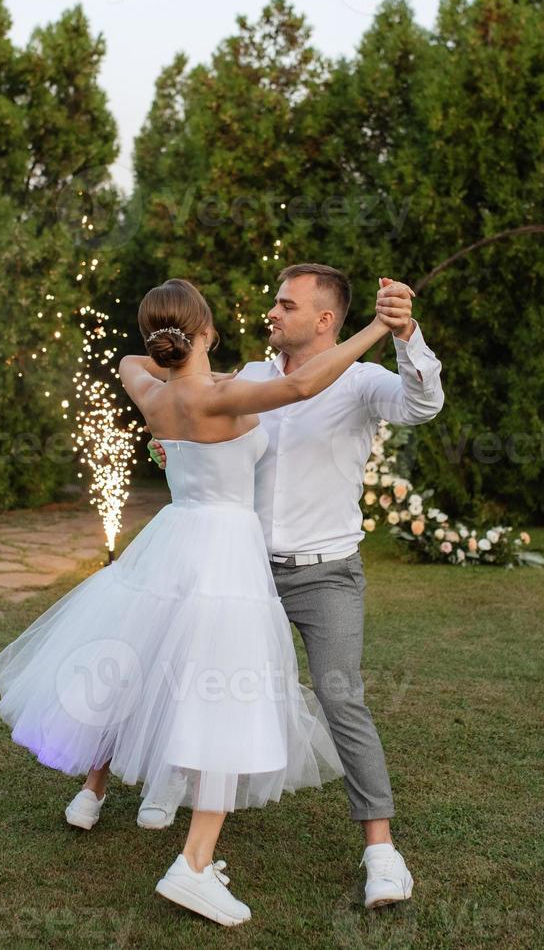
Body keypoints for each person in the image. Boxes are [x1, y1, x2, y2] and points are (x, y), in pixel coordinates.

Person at [0, 276, 399, 928]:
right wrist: (378, 330)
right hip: (226, 555)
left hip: (173, 539)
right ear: (205, 329)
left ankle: (129, 811)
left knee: (146, 663)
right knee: (225, 697)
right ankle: (196, 862)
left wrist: (169, 356)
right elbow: (297, 387)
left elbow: (129, 360)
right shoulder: (225, 395)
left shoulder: (151, 390)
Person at [147, 264, 445, 911]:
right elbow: (192, 410)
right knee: (206, 683)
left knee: (342, 698)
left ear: (325, 320)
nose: (272, 314)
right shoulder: (251, 378)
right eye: (275, 304)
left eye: (286, 305)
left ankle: (382, 854)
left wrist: (404, 333)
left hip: (326, 572)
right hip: (244, 569)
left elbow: (424, 403)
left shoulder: (362, 382)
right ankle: (169, 796)